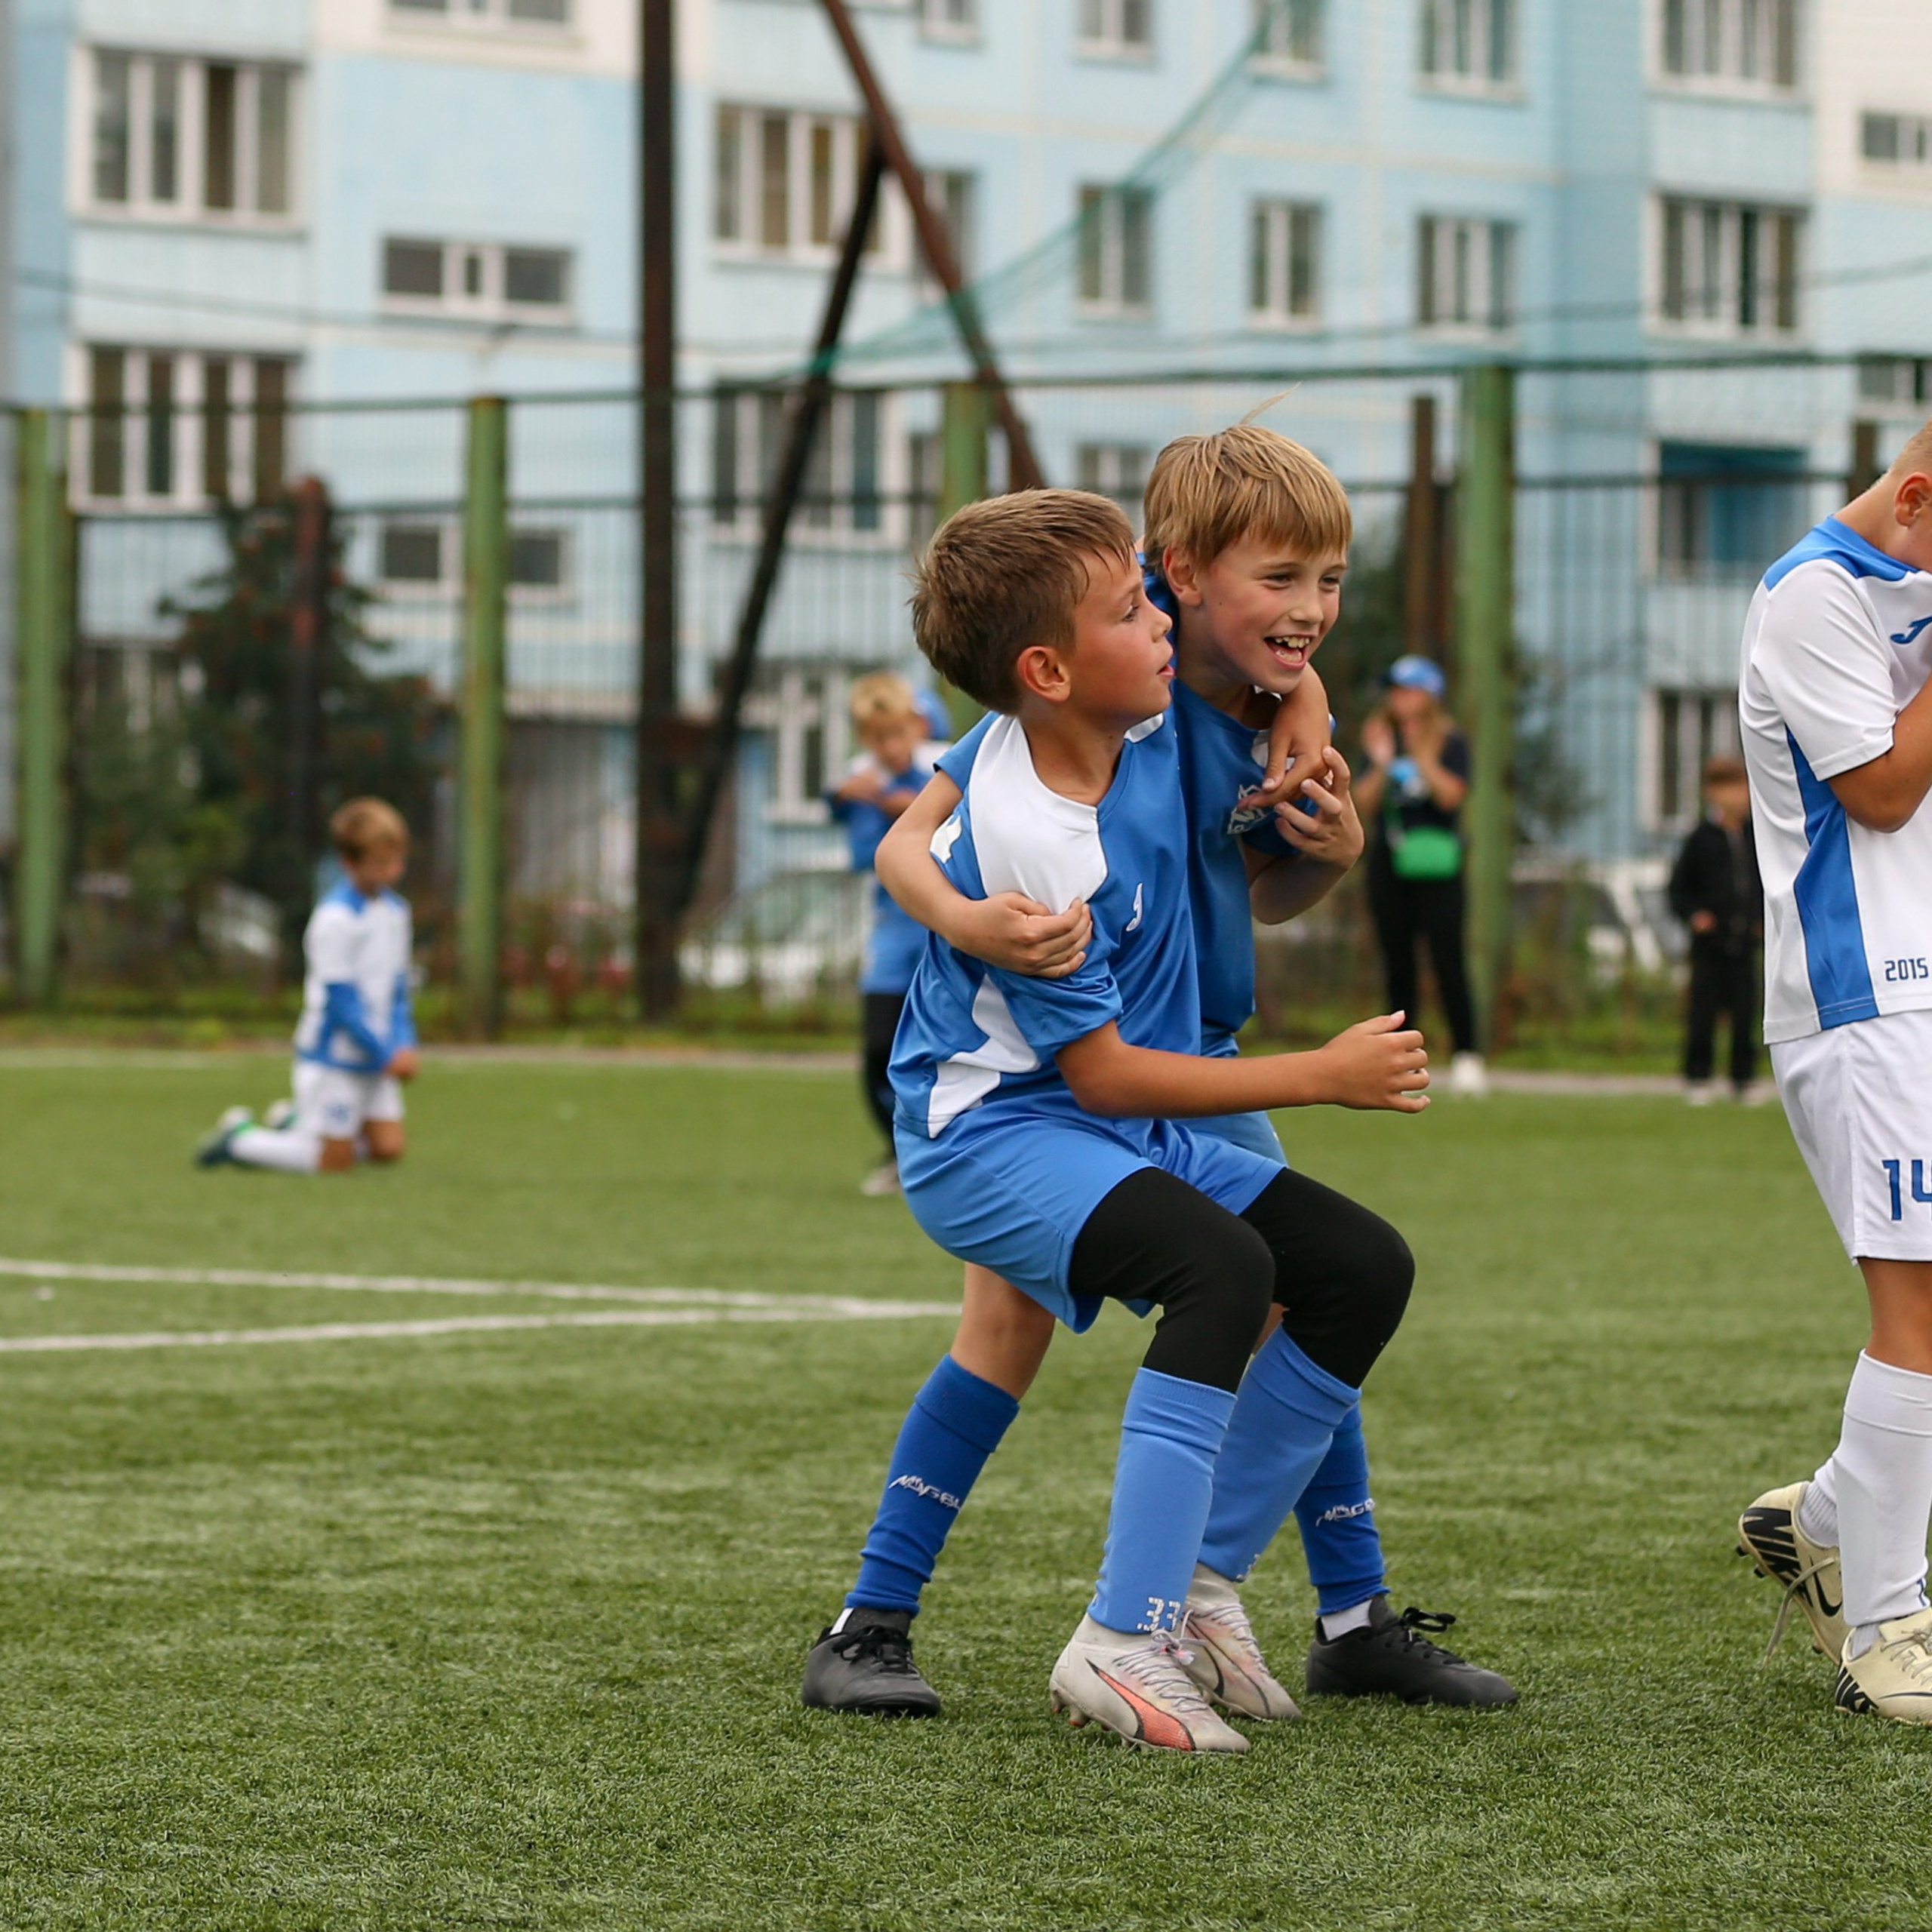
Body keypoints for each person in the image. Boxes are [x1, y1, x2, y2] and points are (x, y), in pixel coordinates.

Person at [803, 426, 1515, 1725]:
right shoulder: (1088, 685)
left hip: (1179, 1063)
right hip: (1052, 1090)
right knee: (1017, 1332)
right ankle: (880, 1617)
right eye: (1278, 579)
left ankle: (1331, 1616)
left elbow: (1248, 883)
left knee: (1312, 1291)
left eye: (1327, 582)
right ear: (1174, 577)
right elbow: (916, 839)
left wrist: (1330, 831)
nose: (1307, 613)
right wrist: (961, 922)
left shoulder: (1217, 702)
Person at [1733, 421, 1932, 1723]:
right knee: (1916, 1310)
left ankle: (1833, 1520)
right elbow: (1881, 793)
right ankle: (1887, 1623)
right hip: (1870, 1001)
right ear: (1916, 496)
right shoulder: (1812, 594)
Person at [196, 798, 419, 1174]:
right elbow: (341, 1004)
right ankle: (241, 1138)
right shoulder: (334, 919)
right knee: (333, 1164)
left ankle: (297, 1122)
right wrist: (385, 1054)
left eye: (396, 861)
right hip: (335, 1055)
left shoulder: (397, 913)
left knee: (388, 1149)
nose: (392, 872)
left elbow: (398, 989)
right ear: (349, 864)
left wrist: (404, 1043)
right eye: (380, 864)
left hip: (377, 1050)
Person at [828, 673, 947, 1196]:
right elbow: (856, 848)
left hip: (944, 930)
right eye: (878, 738)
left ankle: (944, 1153)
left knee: (945, 1052)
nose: (890, 748)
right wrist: (845, 798)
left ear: (916, 728)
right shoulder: (863, 780)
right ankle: (901, 1151)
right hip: (893, 935)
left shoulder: (942, 771)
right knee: (879, 1048)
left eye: (898, 734)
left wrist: (913, 807)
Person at [1354, 657, 1487, 1098]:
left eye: (1407, 690)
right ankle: (1400, 1059)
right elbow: (1363, 803)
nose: (1398, 698)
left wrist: (1423, 759)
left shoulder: (1451, 742)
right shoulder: (1378, 738)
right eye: (1394, 690)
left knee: (1448, 957)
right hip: (1390, 865)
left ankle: (1468, 1053)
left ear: (1428, 695)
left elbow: (1452, 797)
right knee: (1398, 961)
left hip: (1440, 866)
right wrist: (1381, 763)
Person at [1668, 753, 1763, 1104]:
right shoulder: (1701, 839)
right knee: (1703, 1012)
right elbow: (1678, 890)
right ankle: (1698, 1076)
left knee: (1745, 1013)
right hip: (1709, 944)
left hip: (1745, 941)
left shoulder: (1757, 836)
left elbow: (1765, 884)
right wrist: (1695, 915)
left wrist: (1761, 919)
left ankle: (1744, 1077)